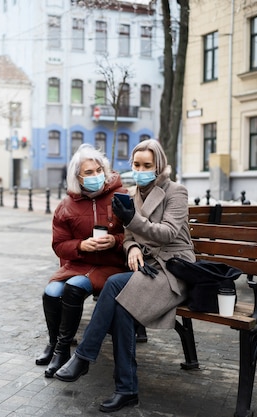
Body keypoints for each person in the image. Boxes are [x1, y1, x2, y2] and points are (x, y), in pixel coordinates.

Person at [54, 139, 195, 413]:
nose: (140, 169)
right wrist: (131, 249)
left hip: (175, 269)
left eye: (147, 165)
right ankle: (125, 389)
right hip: (148, 267)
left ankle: (86, 358)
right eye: (136, 164)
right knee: (119, 300)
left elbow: (167, 233)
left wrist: (131, 220)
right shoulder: (132, 194)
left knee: (116, 288)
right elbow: (130, 237)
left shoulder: (176, 191)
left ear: (159, 166)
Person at [36, 144, 128, 378]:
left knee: (74, 288)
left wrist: (115, 241)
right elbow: (59, 245)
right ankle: (56, 344)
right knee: (51, 291)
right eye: (88, 173)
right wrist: (80, 245)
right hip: (78, 264)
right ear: (77, 177)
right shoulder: (66, 206)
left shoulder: (121, 197)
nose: (96, 176)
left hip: (110, 265)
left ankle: (62, 350)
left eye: (99, 170)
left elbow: (135, 234)